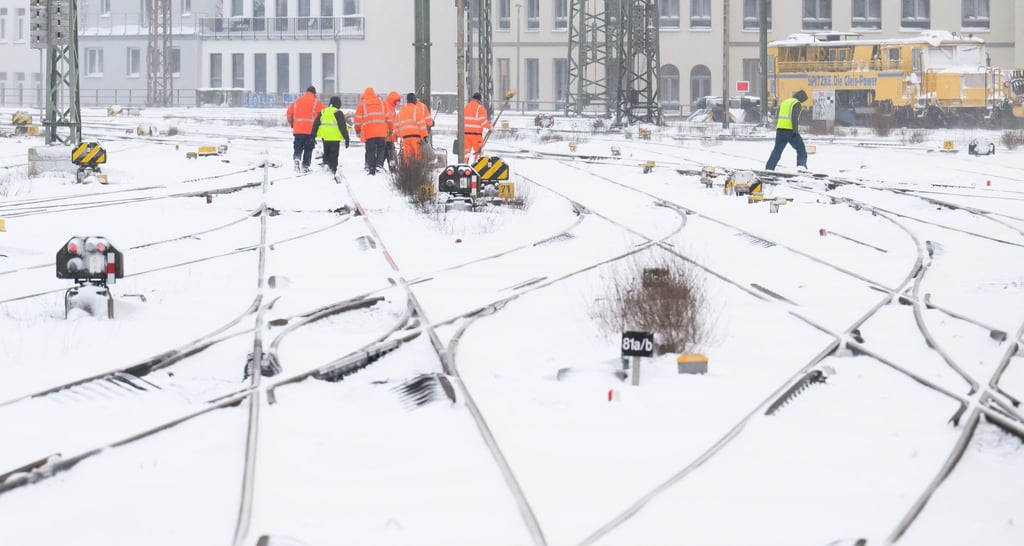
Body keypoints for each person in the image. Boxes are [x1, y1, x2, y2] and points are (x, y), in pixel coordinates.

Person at [765, 89, 809, 171]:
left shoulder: (785, 102)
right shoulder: (796, 103)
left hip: (780, 130)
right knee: (801, 148)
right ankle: (801, 167)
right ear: (801, 98)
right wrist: (795, 131)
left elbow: (777, 116)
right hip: (790, 131)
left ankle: (769, 168)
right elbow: (794, 118)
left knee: (777, 150)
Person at [286, 85, 325, 172]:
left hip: (298, 130)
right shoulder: (316, 102)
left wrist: (292, 124)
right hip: (310, 131)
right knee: (308, 148)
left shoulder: (297, 101)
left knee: (298, 147)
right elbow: (325, 113)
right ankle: (305, 166)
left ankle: (296, 160)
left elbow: (289, 113)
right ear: (314, 93)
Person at [353, 87, 391, 175]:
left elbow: (357, 120)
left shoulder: (362, 105)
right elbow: (389, 118)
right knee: (381, 148)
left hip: (369, 133)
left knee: (370, 150)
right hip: (382, 133)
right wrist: (391, 129)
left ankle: (370, 167)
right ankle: (379, 165)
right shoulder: (383, 104)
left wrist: (358, 131)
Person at [311, 96, 351, 178]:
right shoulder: (338, 112)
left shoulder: (323, 112)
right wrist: (346, 138)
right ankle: (333, 169)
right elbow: (342, 127)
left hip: (325, 137)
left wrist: (313, 136)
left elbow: (315, 124)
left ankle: (326, 164)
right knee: (334, 155)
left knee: (327, 151)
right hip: (335, 138)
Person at [396, 93, 427, 163]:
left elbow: (396, 125)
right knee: (417, 156)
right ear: (414, 100)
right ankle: (416, 171)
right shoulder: (417, 110)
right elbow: (422, 125)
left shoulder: (401, 111)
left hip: (405, 138)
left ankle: (408, 171)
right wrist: (425, 136)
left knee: (407, 157)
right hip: (416, 138)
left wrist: (399, 135)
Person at [463, 92, 491, 162]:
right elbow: (482, 121)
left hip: (465, 135)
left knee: (465, 153)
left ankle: (463, 168)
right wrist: (490, 126)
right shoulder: (480, 108)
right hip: (476, 135)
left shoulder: (465, 107)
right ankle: (477, 167)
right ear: (479, 100)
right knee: (478, 153)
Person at [383, 91, 402, 172]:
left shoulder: (391, 108)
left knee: (387, 152)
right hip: (387, 135)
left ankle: (383, 167)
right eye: (396, 101)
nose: (397, 103)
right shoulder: (387, 107)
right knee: (390, 152)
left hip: (389, 135)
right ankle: (392, 168)